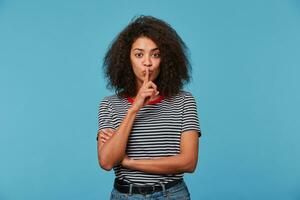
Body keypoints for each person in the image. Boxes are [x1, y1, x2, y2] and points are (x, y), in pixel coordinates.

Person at [97, 15, 201, 200]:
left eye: (156, 54)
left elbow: (189, 162)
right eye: (139, 54)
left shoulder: (184, 101)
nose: (147, 62)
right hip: (126, 195)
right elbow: (106, 161)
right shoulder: (110, 104)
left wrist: (129, 162)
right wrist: (134, 109)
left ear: (166, 59)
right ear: (126, 59)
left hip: (172, 194)